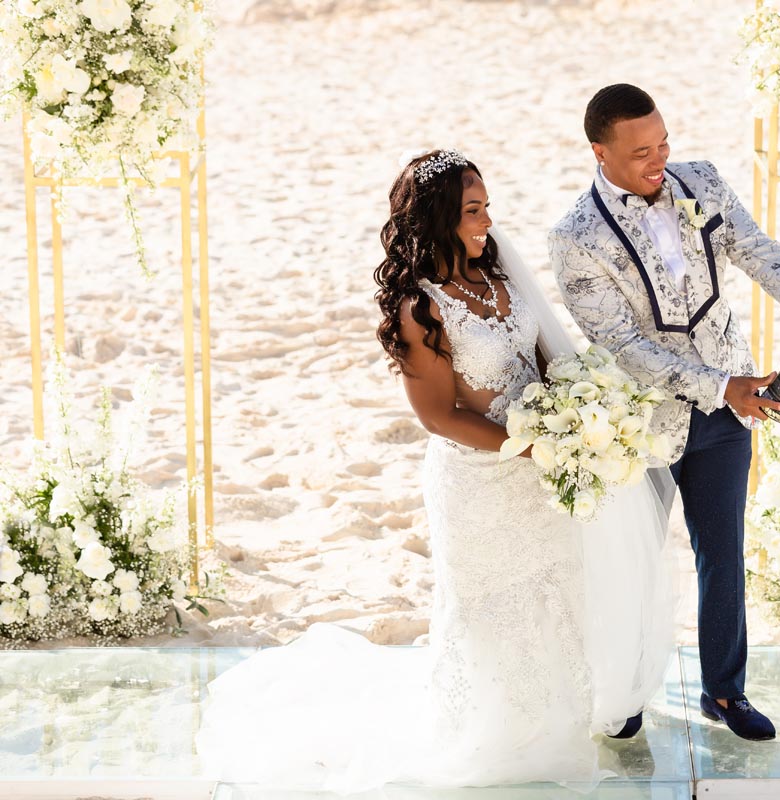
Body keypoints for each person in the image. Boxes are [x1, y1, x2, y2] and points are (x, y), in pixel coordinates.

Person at [195, 150, 675, 795]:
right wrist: (535, 446)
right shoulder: (419, 310)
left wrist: (580, 417)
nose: (486, 222)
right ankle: (495, 730)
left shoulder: (500, 274)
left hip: (546, 469)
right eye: (472, 211)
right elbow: (439, 415)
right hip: (480, 479)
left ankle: (558, 717)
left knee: (558, 591)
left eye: (486, 207)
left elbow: (545, 363)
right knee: (492, 606)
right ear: (438, 218)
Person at [550, 84, 780, 742]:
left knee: (722, 554)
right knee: (634, 562)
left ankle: (724, 692)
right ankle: (626, 693)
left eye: (664, 143)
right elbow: (623, 348)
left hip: (725, 414)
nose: (658, 160)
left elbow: (755, 250)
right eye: (640, 153)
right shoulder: (574, 239)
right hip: (637, 424)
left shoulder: (702, 181)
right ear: (599, 152)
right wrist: (728, 386)